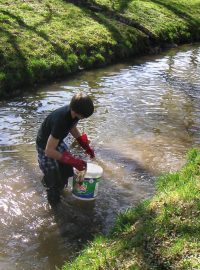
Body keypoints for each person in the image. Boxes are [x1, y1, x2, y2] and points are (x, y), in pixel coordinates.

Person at [36, 92, 95, 206]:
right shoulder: (61, 121)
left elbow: (72, 127)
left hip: (56, 141)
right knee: (53, 179)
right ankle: (55, 206)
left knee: (66, 170)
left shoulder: (73, 113)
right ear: (76, 112)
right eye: (82, 116)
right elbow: (49, 151)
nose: (82, 119)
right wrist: (73, 161)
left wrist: (83, 144)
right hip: (45, 146)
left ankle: (61, 187)